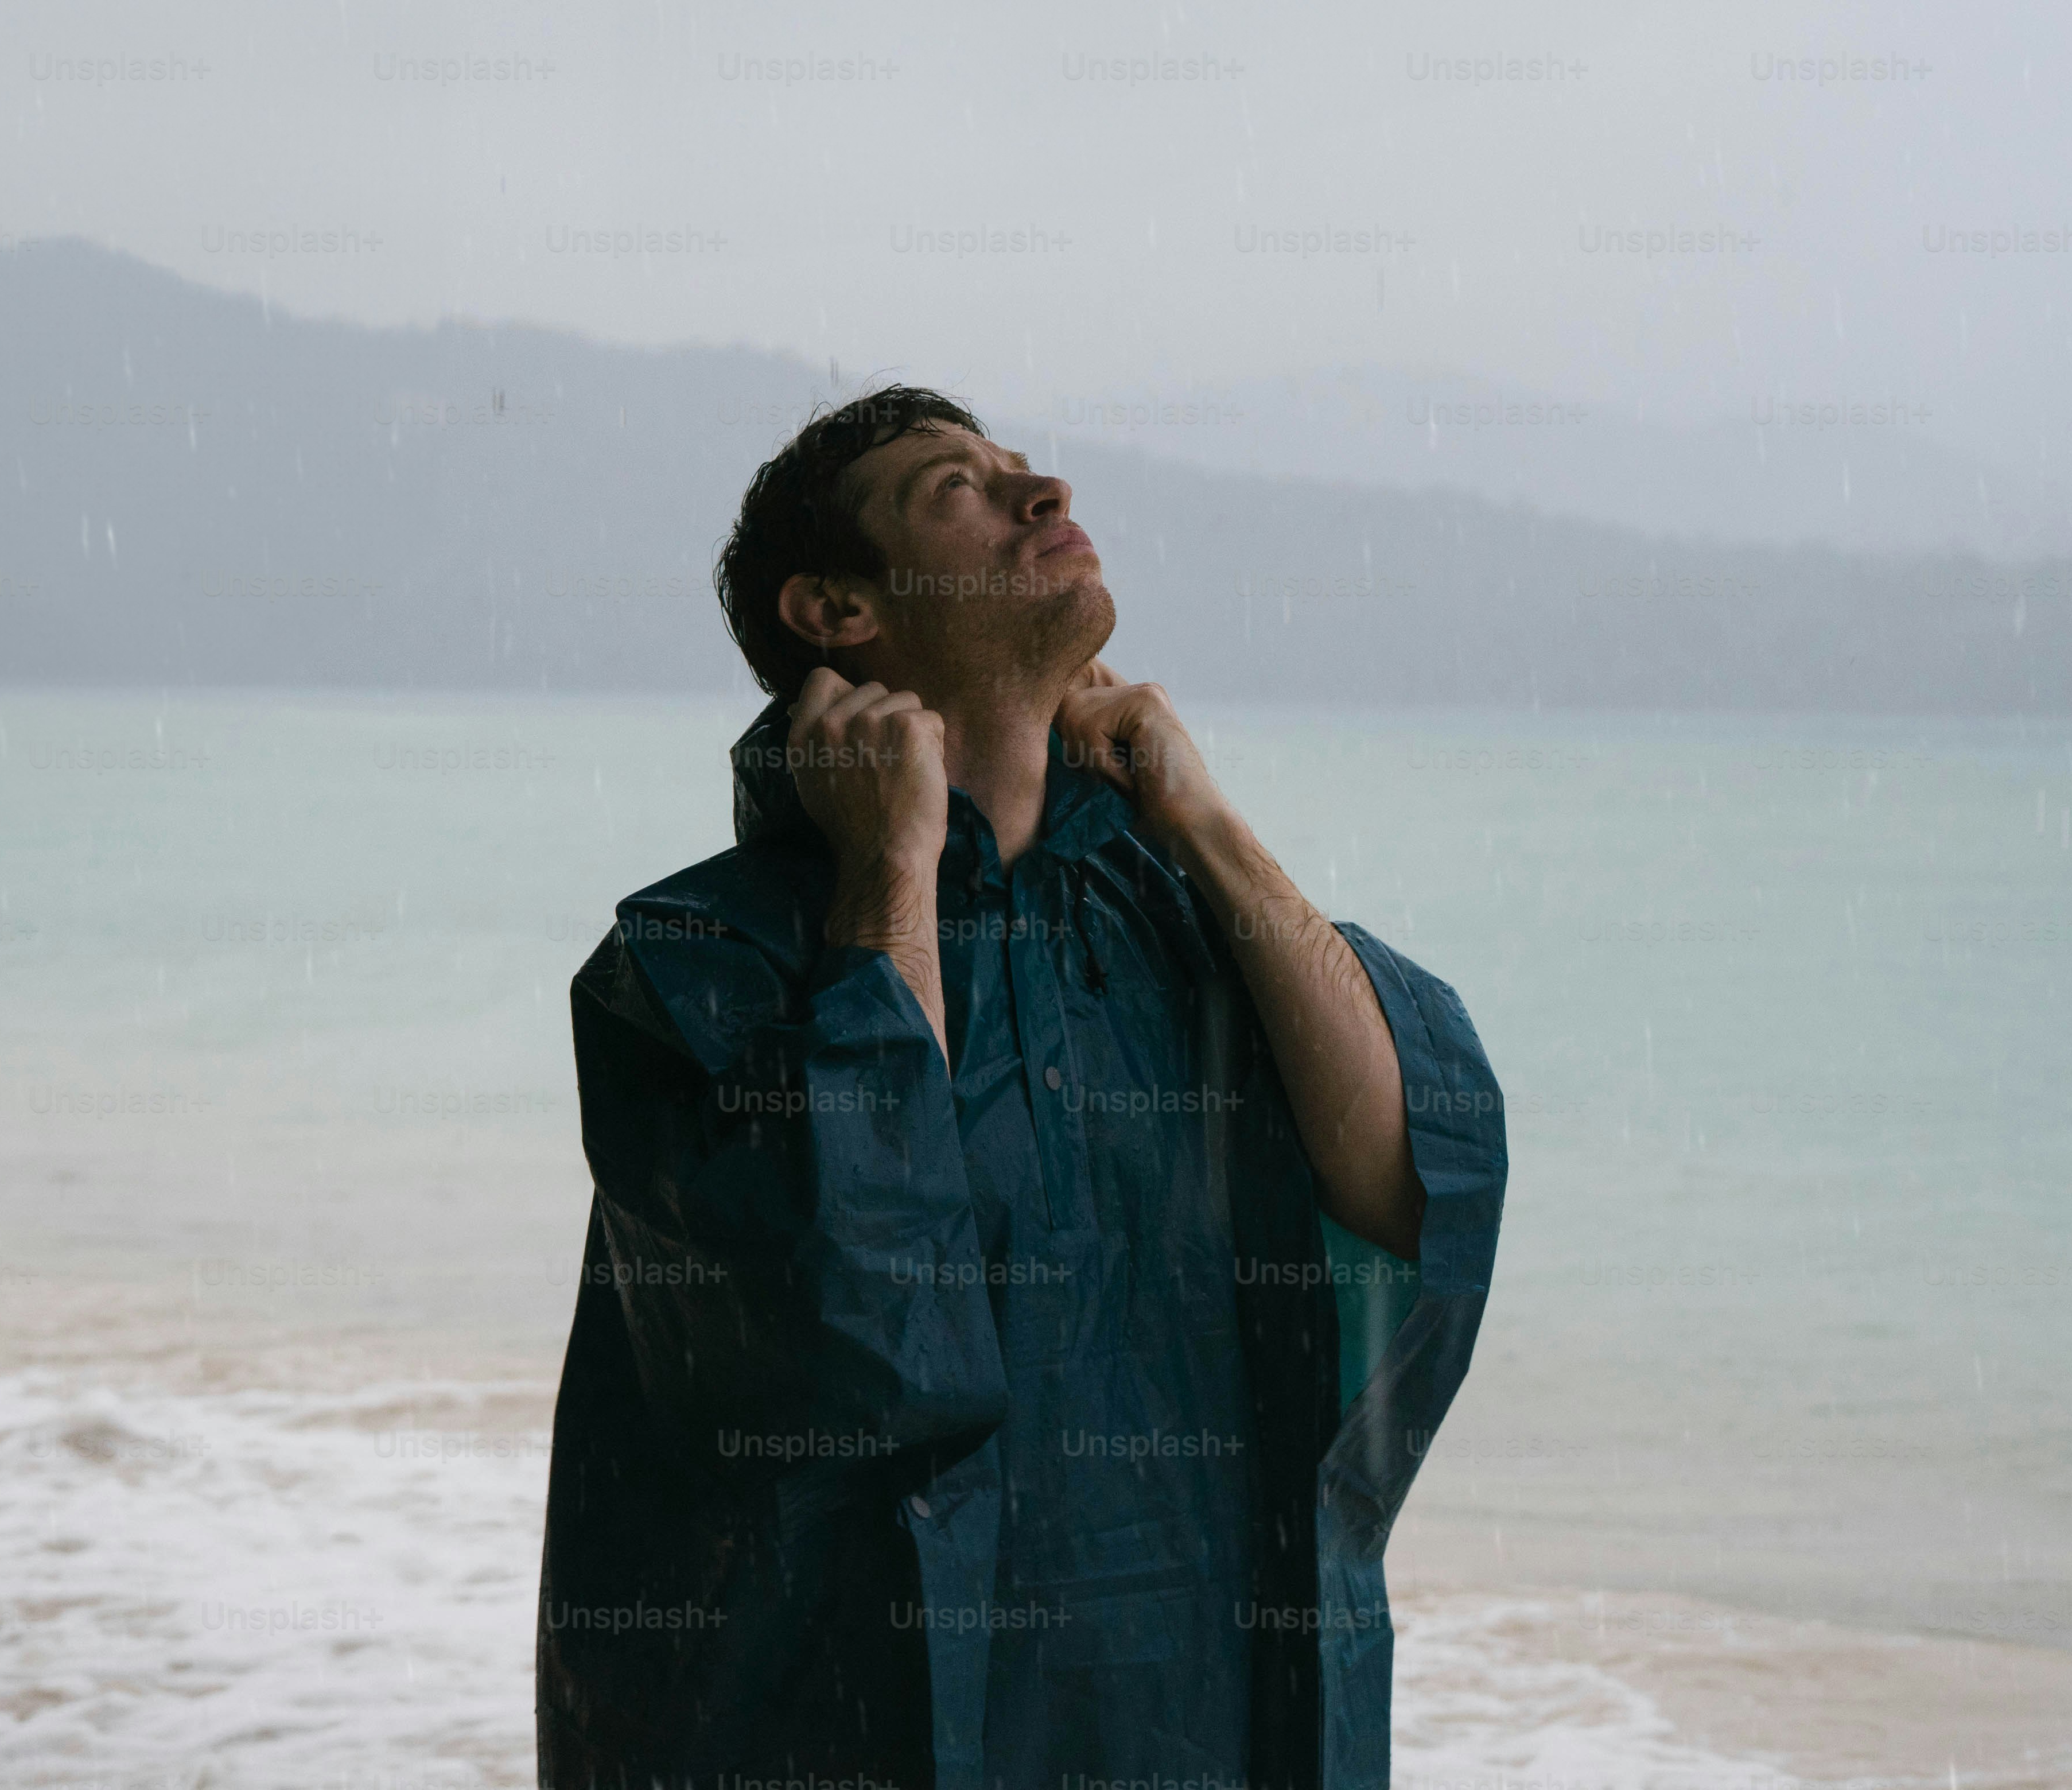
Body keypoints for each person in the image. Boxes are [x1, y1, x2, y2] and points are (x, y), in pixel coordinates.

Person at [535, 387, 1506, 1790]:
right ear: (837, 610)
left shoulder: (1187, 915)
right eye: (958, 488)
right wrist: (893, 865)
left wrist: (1204, 819)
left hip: (1220, 1721)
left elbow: (1416, 1177)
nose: (1043, 493)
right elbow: (851, 1315)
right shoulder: (699, 964)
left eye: (1022, 472)